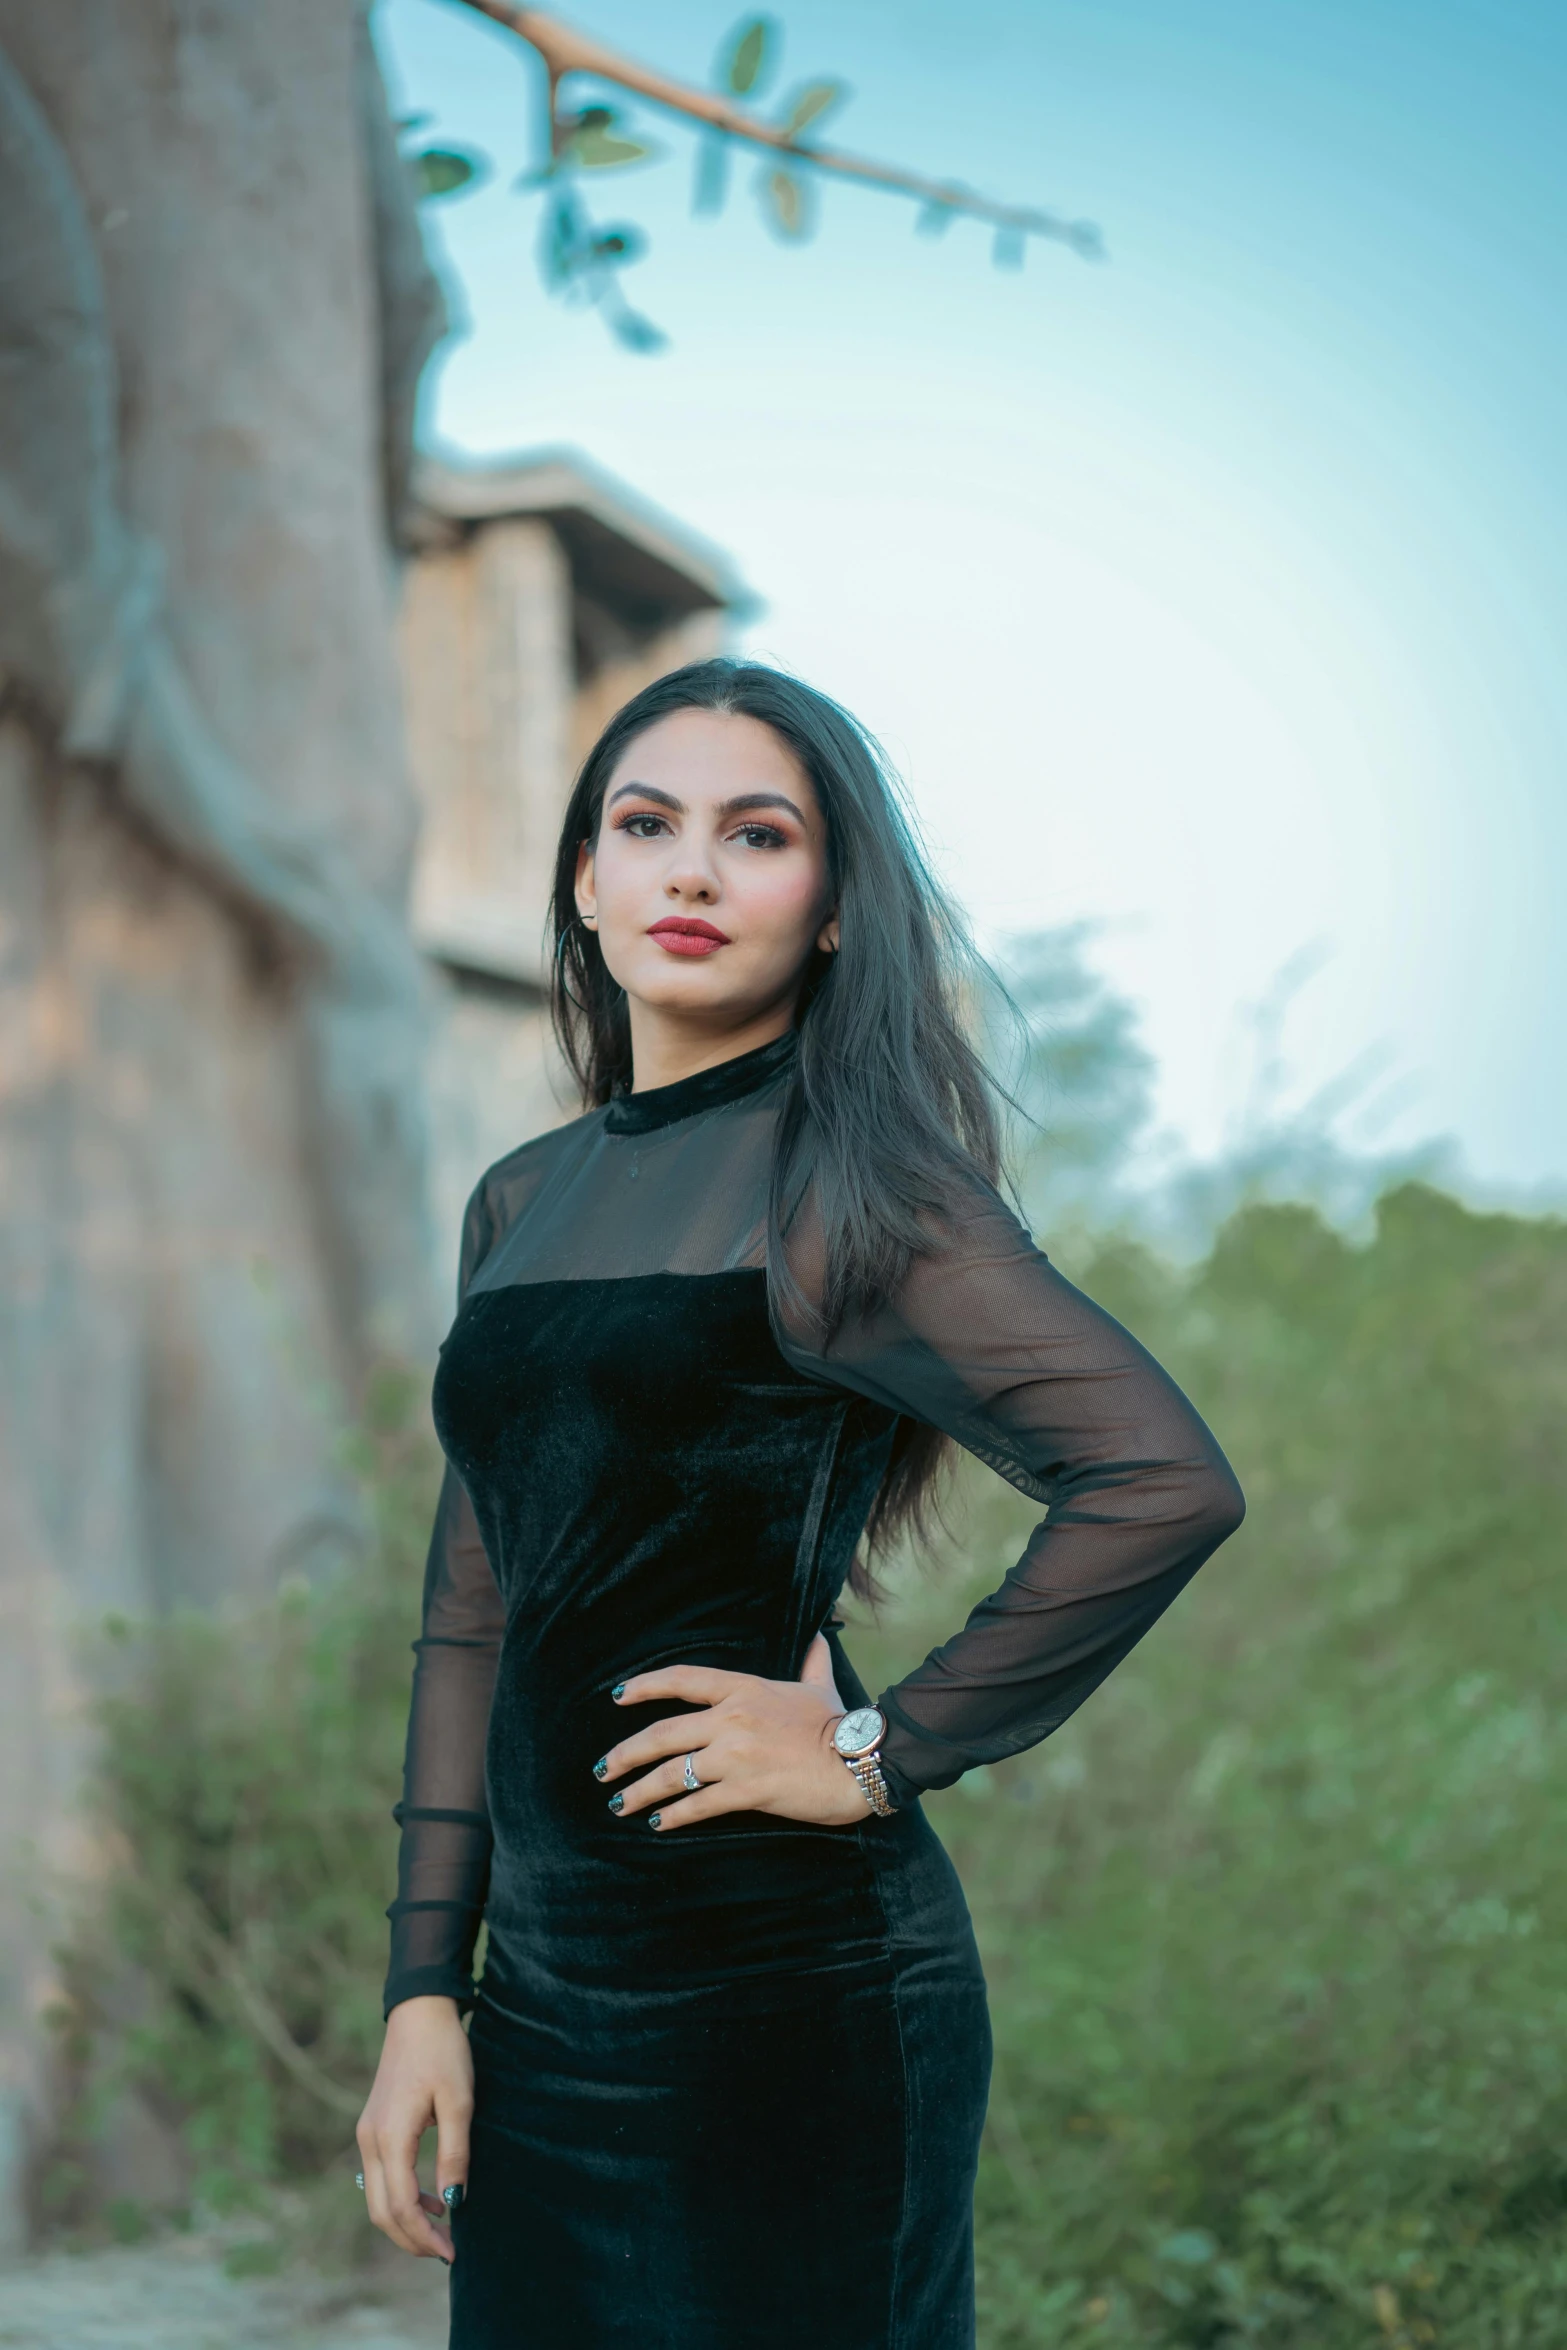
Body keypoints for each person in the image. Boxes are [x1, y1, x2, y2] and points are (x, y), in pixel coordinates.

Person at [354, 661, 1245, 2349]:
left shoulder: (857, 1188)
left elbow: (1158, 1478)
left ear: (833, 910)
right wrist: (423, 1990)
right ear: (585, 879)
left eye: (754, 836)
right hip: (543, 2013)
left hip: (791, 1999)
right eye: (646, 824)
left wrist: (873, 1749)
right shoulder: (520, 1199)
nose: (690, 871)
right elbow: (475, 1605)